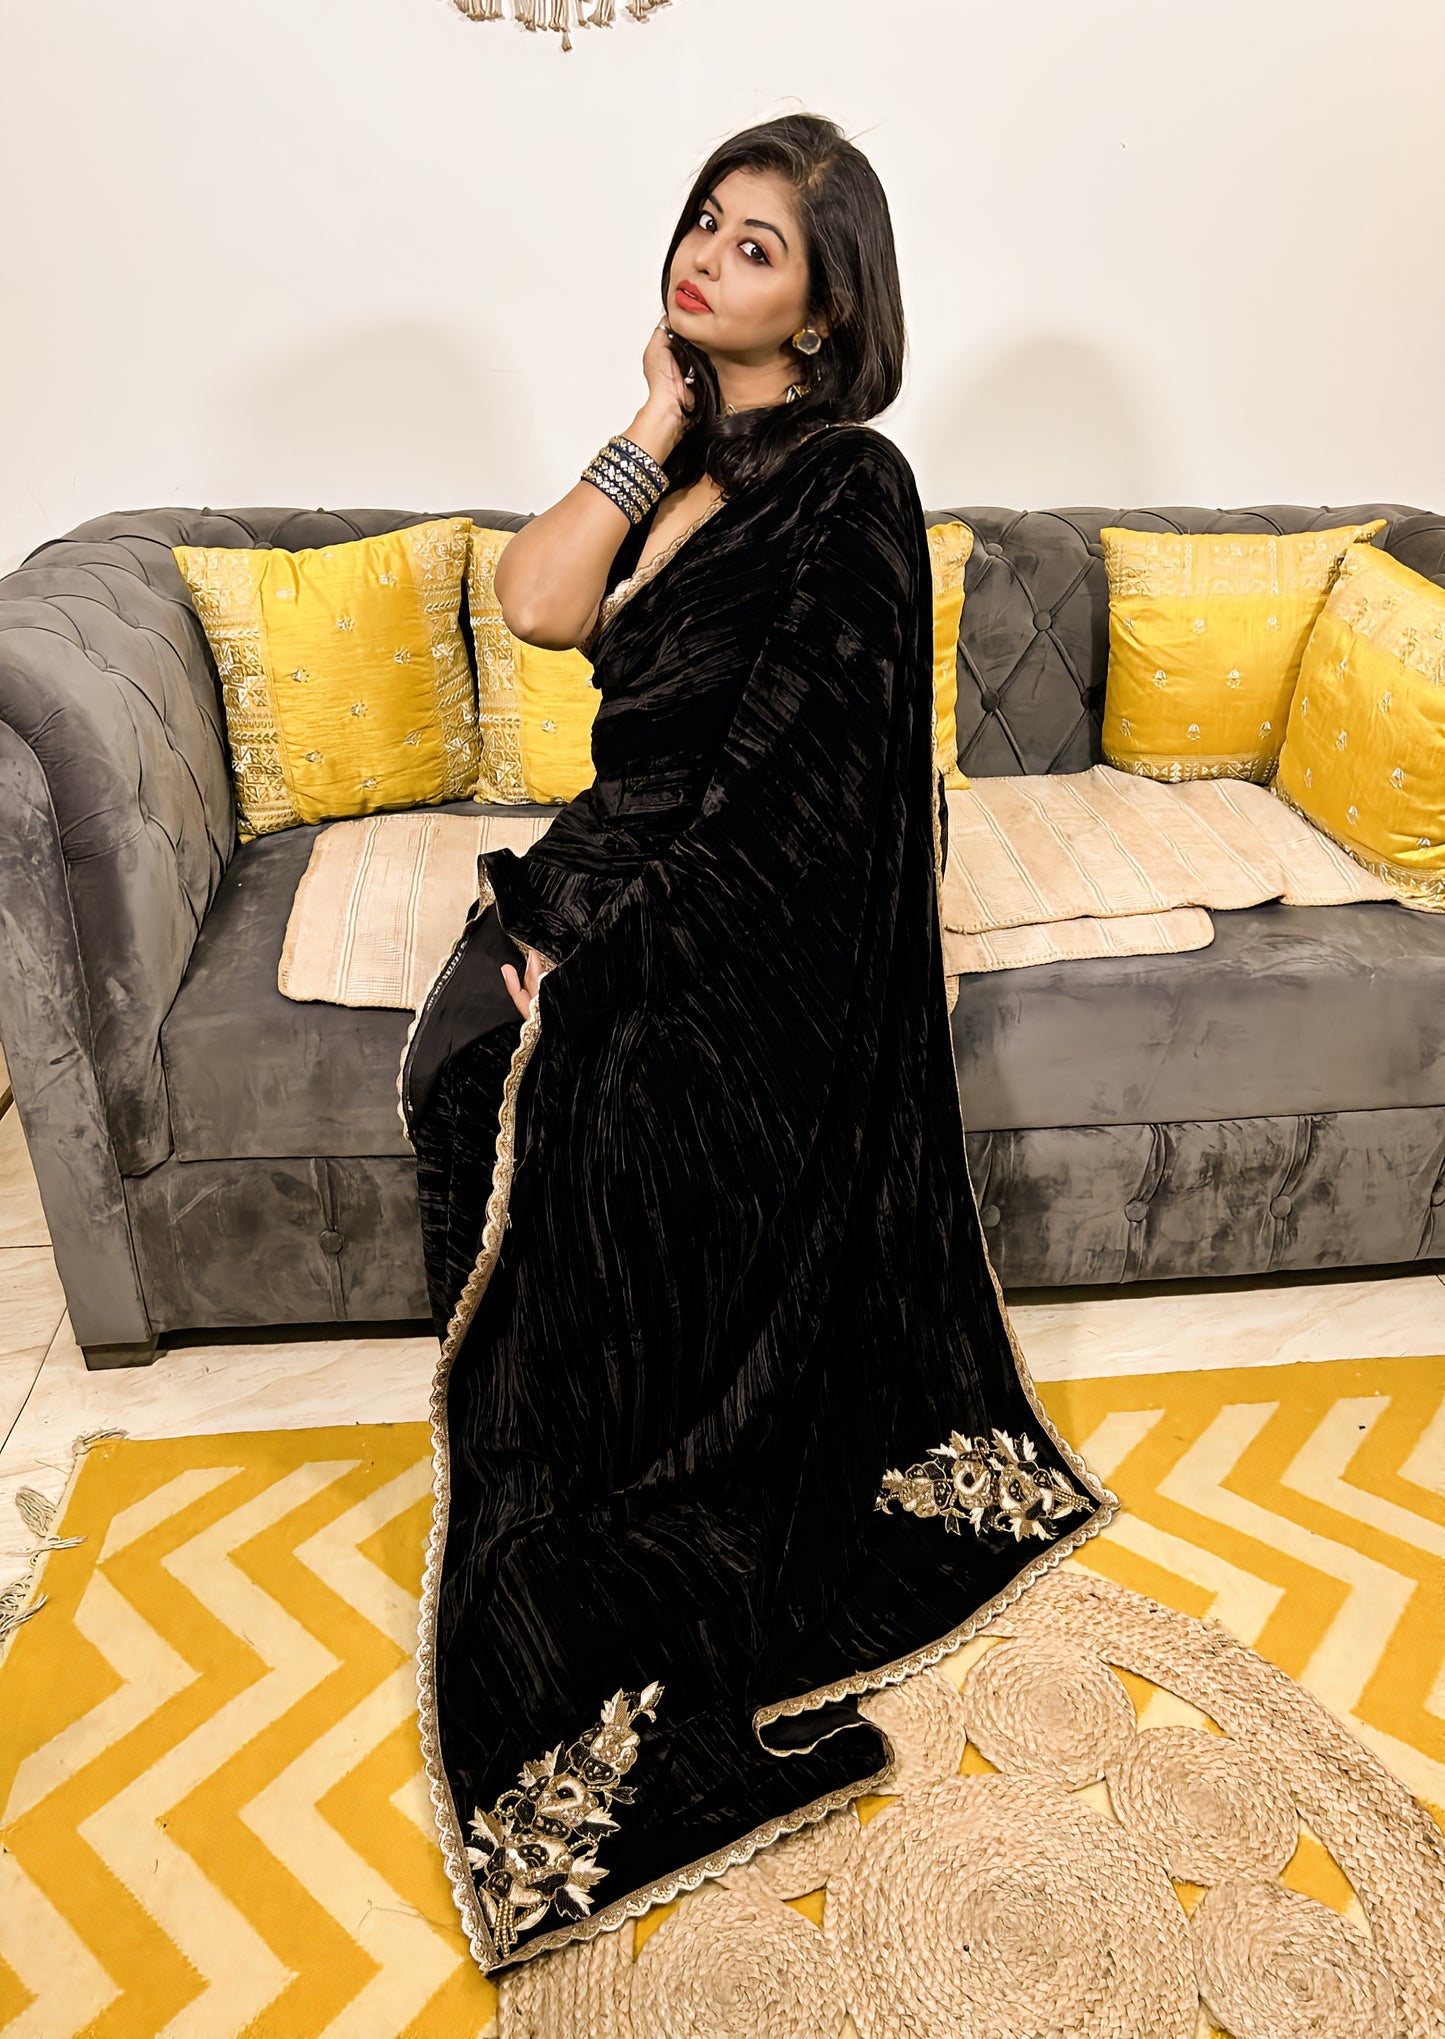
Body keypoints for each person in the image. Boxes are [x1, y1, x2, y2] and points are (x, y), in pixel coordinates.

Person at [399, 110, 1117, 1979]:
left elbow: (801, 788)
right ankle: (558, 1435)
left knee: (592, 1116)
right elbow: (539, 605)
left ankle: (625, 1474)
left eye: (758, 245)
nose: (708, 257)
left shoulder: (851, 484)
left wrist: (621, 966)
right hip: (604, 864)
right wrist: (648, 420)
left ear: (825, 309)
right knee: (458, 1071)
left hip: (716, 917)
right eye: (704, 224)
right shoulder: (686, 465)